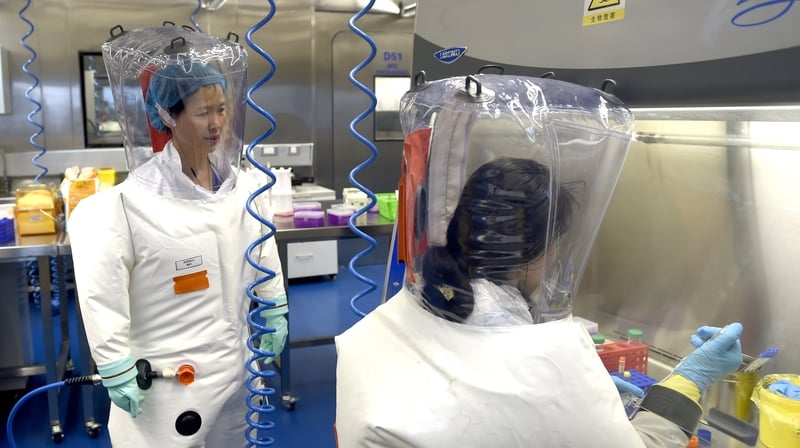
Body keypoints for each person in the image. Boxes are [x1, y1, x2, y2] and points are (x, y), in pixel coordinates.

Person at [335, 74, 743, 447]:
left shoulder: (401, 314)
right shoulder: (541, 361)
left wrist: (581, 406)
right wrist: (690, 380)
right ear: (536, 252)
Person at [68, 25, 287, 447]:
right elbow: (103, 292)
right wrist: (113, 363)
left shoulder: (241, 188)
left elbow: (264, 250)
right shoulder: (127, 205)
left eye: (222, 108)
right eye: (203, 112)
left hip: (238, 369)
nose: (217, 123)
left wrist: (275, 303)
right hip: (170, 384)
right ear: (167, 115)